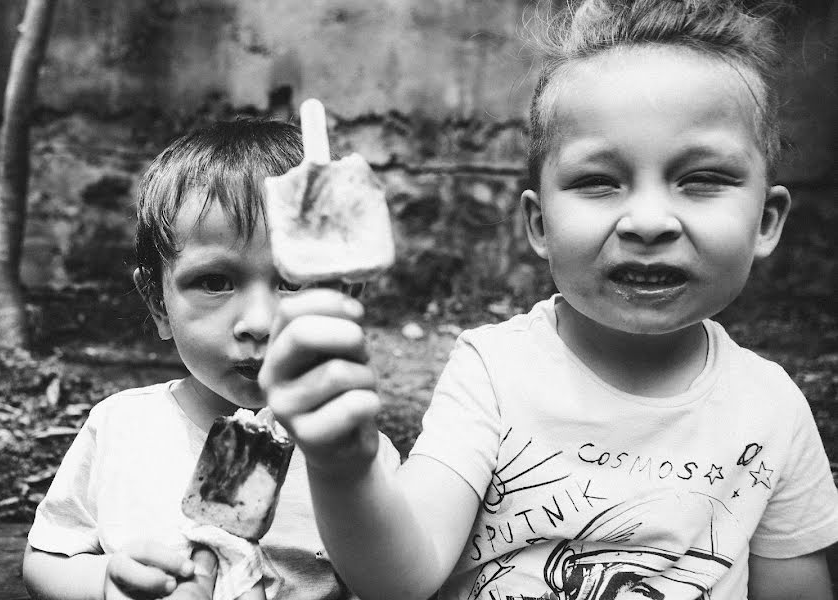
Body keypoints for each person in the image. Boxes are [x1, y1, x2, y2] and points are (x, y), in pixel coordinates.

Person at [259, 1, 838, 599]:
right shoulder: (494, 372)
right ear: (538, 224)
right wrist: (344, 467)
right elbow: (401, 579)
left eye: (701, 179)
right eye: (597, 181)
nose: (647, 221)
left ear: (766, 219)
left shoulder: (773, 410)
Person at [21, 118, 400, 600]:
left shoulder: (360, 458)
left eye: (292, 282)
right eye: (217, 281)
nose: (259, 322)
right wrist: (107, 583)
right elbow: (45, 561)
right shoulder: (120, 428)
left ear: (344, 300)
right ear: (158, 303)